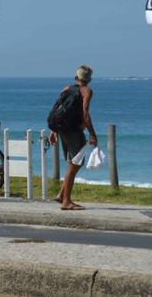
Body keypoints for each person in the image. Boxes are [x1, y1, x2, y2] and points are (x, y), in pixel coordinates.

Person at [56, 65, 97, 211]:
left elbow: (59, 111)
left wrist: (54, 132)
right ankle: (66, 201)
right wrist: (92, 134)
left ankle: (62, 194)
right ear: (89, 78)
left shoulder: (67, 89)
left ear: (77, 76)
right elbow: (85, 113)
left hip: (62, 130)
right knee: (76, 163)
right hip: (73, 131)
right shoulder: (87, 91)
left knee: (72, 162)